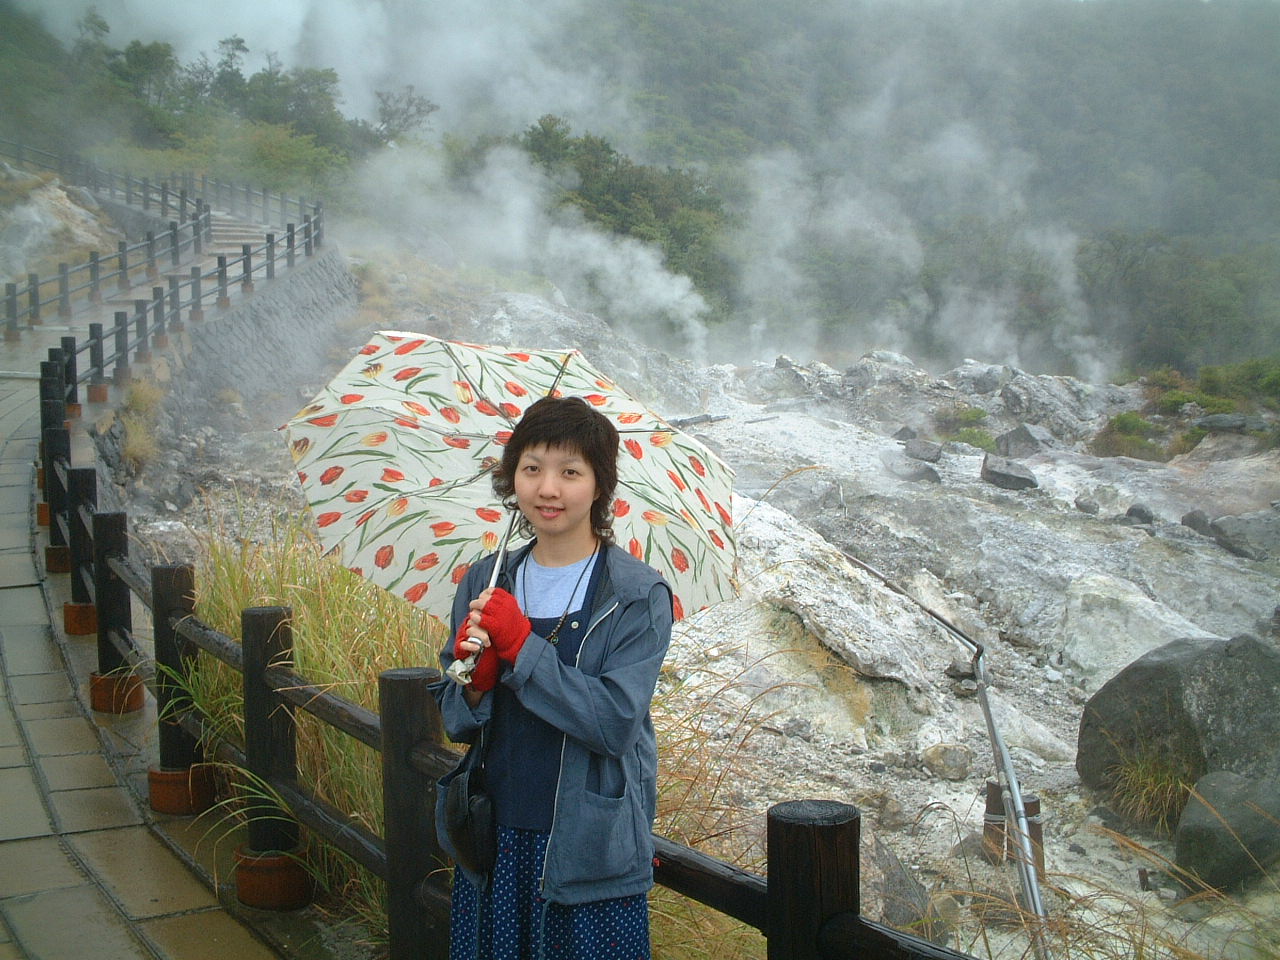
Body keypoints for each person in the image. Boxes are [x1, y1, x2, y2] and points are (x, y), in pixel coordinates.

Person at [432, 395, 674, 960]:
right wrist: (475, 683)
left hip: (587, 850)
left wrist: (520, 647)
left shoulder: (636, 595)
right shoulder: (486, 581)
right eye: (532, 468)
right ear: (511, 477)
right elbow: (455, 720)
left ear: (599, 484)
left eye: (570, 472)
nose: (548, 489)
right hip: (493, 838)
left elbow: (614, 723)